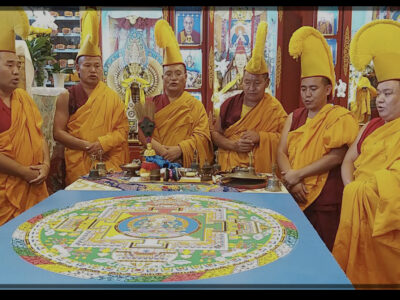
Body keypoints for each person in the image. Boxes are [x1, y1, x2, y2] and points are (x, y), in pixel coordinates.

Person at [276, 26, 359, 251]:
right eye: (303, 89)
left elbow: (337, 156)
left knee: (324, 251)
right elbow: (281, 152)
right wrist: (292, 181)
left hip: (325, 199)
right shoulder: (295, 116)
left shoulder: (339, 116)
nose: (307, 94)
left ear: (328, 89)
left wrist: (298, 174)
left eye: (313, 88)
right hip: (295, 192)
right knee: (296, 249)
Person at [332, 19, 400, 286]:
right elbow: (349, 159)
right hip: (358, 212)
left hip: (385, 224)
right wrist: (353, 190)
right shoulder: (372, 125)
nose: (379, 99)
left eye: (388, 93)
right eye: (379, 93)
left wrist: (361, 192)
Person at [53, 9, 129, 186]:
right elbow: (58, 133)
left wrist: (102, 143)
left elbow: (123, 129)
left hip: (108, 160)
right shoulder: (67, 96)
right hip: (79, 160)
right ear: (77, 69)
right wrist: (87, 146)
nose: (93, 70)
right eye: (87, 65)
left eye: (97, 66)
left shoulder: (112, 97)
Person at [211, 21, 287, 173]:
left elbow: (287, 141)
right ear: (242, 81)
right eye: (247, 82)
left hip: (260, 173)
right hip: (229, 170)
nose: (251, 88)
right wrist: (234, 145)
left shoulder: (274, 109)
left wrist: (261, 137)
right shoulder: (230, 103)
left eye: (257, 83)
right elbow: (215, 134)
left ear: (267, 82)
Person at [139, 19, 213, 168]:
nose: (173, 78)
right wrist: (163, 151)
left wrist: (180, 149)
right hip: (155, 163)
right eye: (169, 74)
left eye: (178, 73)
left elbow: (202, 137)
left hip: (185, 165)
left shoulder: (196, 106)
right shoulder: (149, 102)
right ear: (162, 78)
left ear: (186, 77)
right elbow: (142, 134)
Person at [0, 9, 50, 226]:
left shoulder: (23, 98)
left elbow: (39, 137)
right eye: (9, 65)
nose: (16, 71)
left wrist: (46, 164)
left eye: (18, 65)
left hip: (34, 187)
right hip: (5, 192)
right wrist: (22, 171)